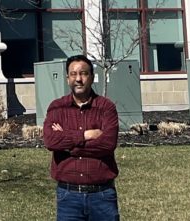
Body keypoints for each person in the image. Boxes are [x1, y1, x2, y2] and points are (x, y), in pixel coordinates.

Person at [43, 54, 120, 221]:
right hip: (68, 197)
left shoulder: (106, 107)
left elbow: (107, 144)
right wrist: (86, 135)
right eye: (73, 74)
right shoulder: (57, 107)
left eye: (84, 73)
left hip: (102, 196)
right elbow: (50, 141)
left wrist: (67, 143)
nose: (78, 79)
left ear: (92, 77)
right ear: (67, 78)